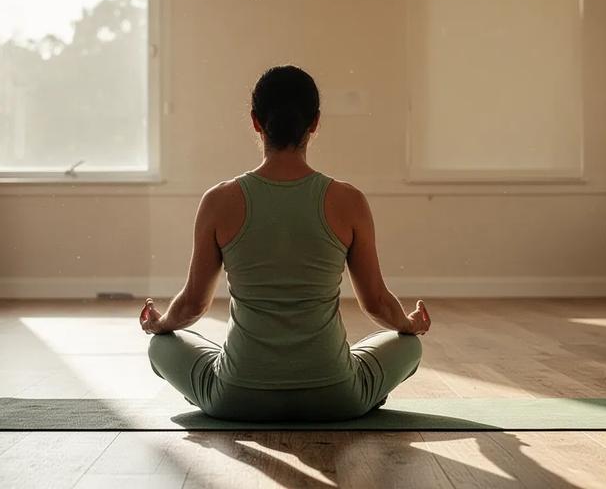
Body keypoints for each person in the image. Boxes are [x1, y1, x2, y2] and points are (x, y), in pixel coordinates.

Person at [139, 65, 431, 422]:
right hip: (337, 397)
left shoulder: (219, 200)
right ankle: (361, 393)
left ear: (256, 122)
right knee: (408, 345)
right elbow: (377, 304)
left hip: (236, 397)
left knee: (161, 345)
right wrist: (410, 324)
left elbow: (193, 306)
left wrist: (159, 323)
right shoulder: (348, 200)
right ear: (315, 123)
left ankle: (225, 385)